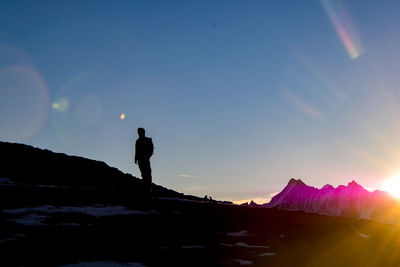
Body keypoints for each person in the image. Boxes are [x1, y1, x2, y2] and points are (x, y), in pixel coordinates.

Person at [134, 128, 154, 194]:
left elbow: (151, 150)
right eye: (138, 132)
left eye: (140, 132)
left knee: (147, 174)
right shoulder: (138, 141)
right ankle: (146, 189)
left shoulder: (147, 140)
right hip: (140, 160)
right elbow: (136, 150)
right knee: (144, 174)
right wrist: (136, 158)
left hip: (145, 160)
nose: (139, 133)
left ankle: (149, 190)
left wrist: (147, 156)